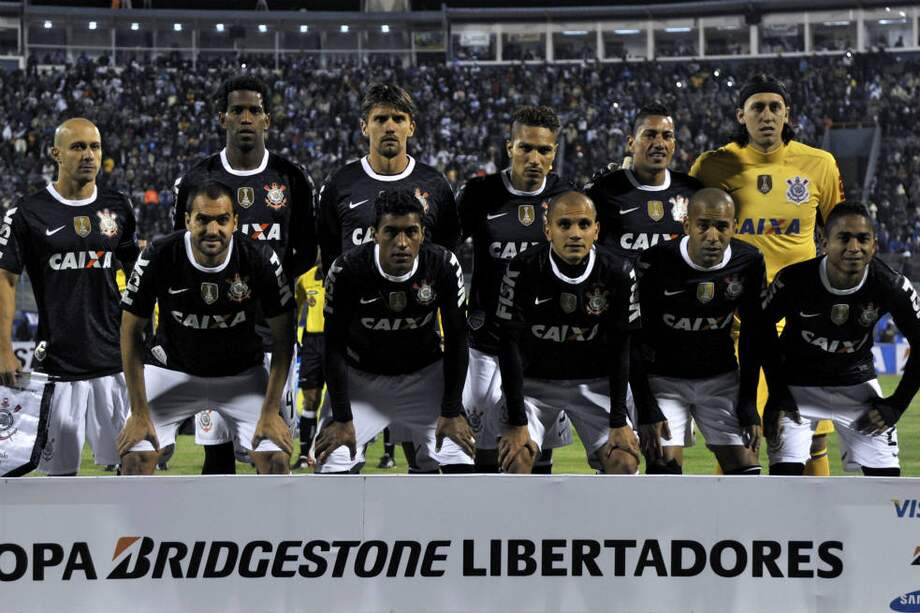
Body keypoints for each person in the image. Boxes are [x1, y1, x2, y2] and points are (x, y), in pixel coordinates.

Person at [690, 74, 845, 476]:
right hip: (737, 323)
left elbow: (840, 230)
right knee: (739, 439)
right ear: (742, 114)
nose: (767, 114)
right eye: (757, 106)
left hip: (800, 323)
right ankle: (735, 534)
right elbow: (685, 228)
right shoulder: (712, 165)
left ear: (787, 114)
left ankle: (815, 531)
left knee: (812, 437)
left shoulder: (819, 164)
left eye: (775, 107)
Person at [173, 74, 317, 475]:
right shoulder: (196, 179)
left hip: (272, 343)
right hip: (211, 343)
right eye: (237, 110)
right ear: (223, 118)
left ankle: (271, 537)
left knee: (272, 455)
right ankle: (217, 537)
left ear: (267, 119)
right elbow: (179, 253)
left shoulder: (293, 179)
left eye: (254, 110)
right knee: (216, 456)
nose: (246, 118)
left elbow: (305, 253)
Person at [316, 83, 460, 471]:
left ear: (411, 126)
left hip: (421, 358)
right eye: (381, 119)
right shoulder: (339, 185)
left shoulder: (435, 186)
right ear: (365, 127)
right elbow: (332, 259)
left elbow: (443, 260)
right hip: (357, 358)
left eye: (398, 119)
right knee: (334, 463)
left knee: (439, 466)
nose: (390, 127)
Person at [117, 180, 295, 475]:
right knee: (135, 459)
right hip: (171, 370)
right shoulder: (158, 256)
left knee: (276, 459)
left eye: (222, 220)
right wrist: (138, 412)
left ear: (235, 222)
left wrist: (270, 411)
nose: (213, 230)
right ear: (187, 220)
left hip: (241, 374)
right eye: (203, 219)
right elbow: (129, 331)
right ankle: (137, 523)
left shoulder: (259, 259)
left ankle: (265, 523)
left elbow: (283, 337)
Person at [0, 118, 139, 475]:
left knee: (136, 468)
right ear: (56, 154)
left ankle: (132, 534)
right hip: (58, 365)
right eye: (78, 147)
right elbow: (5, 280)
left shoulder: (118, 206)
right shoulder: (27, 212)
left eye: (95, 147)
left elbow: (139, 275)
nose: (89, 155)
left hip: (114, 361)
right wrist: (3, 350)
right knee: (59, 479)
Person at [313, 190, 474, 474]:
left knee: (460, 461)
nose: (402, 243)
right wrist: (341, 416)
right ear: (374, 233)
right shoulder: (347, 269)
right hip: (361, 380)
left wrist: (451, 410)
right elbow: (333, 347)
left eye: (411, 232)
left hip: (425, 377)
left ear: (423, 234)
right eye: (391, 232)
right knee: (332, 464)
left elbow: (458, 340)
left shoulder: (443, 265)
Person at [762, 203, 920, 476]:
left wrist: (896, 405)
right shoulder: (795, 281)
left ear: (874, 245)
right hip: (798, 388)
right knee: (784, 481)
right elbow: (759, 332)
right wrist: (777, 394)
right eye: (844, 238)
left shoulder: (891, 285)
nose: (854, 247)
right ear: (824, 242)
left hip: (857, 388)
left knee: (886, 485)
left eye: (862, 238)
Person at [459, 105, 573, 473]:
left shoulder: (566, 197)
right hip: (486, 344)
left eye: (544, 150)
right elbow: (441, 253)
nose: (535, 158)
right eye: (526, 147)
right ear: (509, 148)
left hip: (545, 347)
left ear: (554, 153)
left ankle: (539, 528)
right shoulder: (479, 193)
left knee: (538, 450)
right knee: (482, 451)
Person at [493, 191, 640, 474]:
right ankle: (523, 520)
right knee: (515, 458)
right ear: (548, 230)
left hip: (594, 385)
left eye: (584, 225)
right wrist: (517, 420)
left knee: (624, 462)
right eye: (565, 225)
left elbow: (622, 346)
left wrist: (619, 420)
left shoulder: (619, 270)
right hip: (534, 386)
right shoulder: (522, 268)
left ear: (596, 230)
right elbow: (507, 345)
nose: (575, 233)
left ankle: (601, 519)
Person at [634, 188, 766, 474]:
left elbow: (754, 335)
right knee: (663, 468)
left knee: (748, 470)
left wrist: (747, 402)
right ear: (687, 226)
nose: (712, 236)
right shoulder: (654, 262)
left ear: (734, 227)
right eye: (703, 225)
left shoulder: (749, 260)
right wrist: (646, 407)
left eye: (721, 226)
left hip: (720, 379)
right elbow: (634, 338)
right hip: (664, 381)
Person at [586, 102, 702, 258]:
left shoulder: (693, 191)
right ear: (631, 143)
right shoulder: (602, 191)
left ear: (673, 145)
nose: (659, 144)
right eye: (650, 135)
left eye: (667, 136)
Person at [291, 263, 325, 470]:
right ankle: (304, 455)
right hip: (312, 341)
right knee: (310, 399)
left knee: (339, 398)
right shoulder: (306, 278)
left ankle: (332, 452)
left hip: (337, 339)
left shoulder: (343, 271)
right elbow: (296, 308)